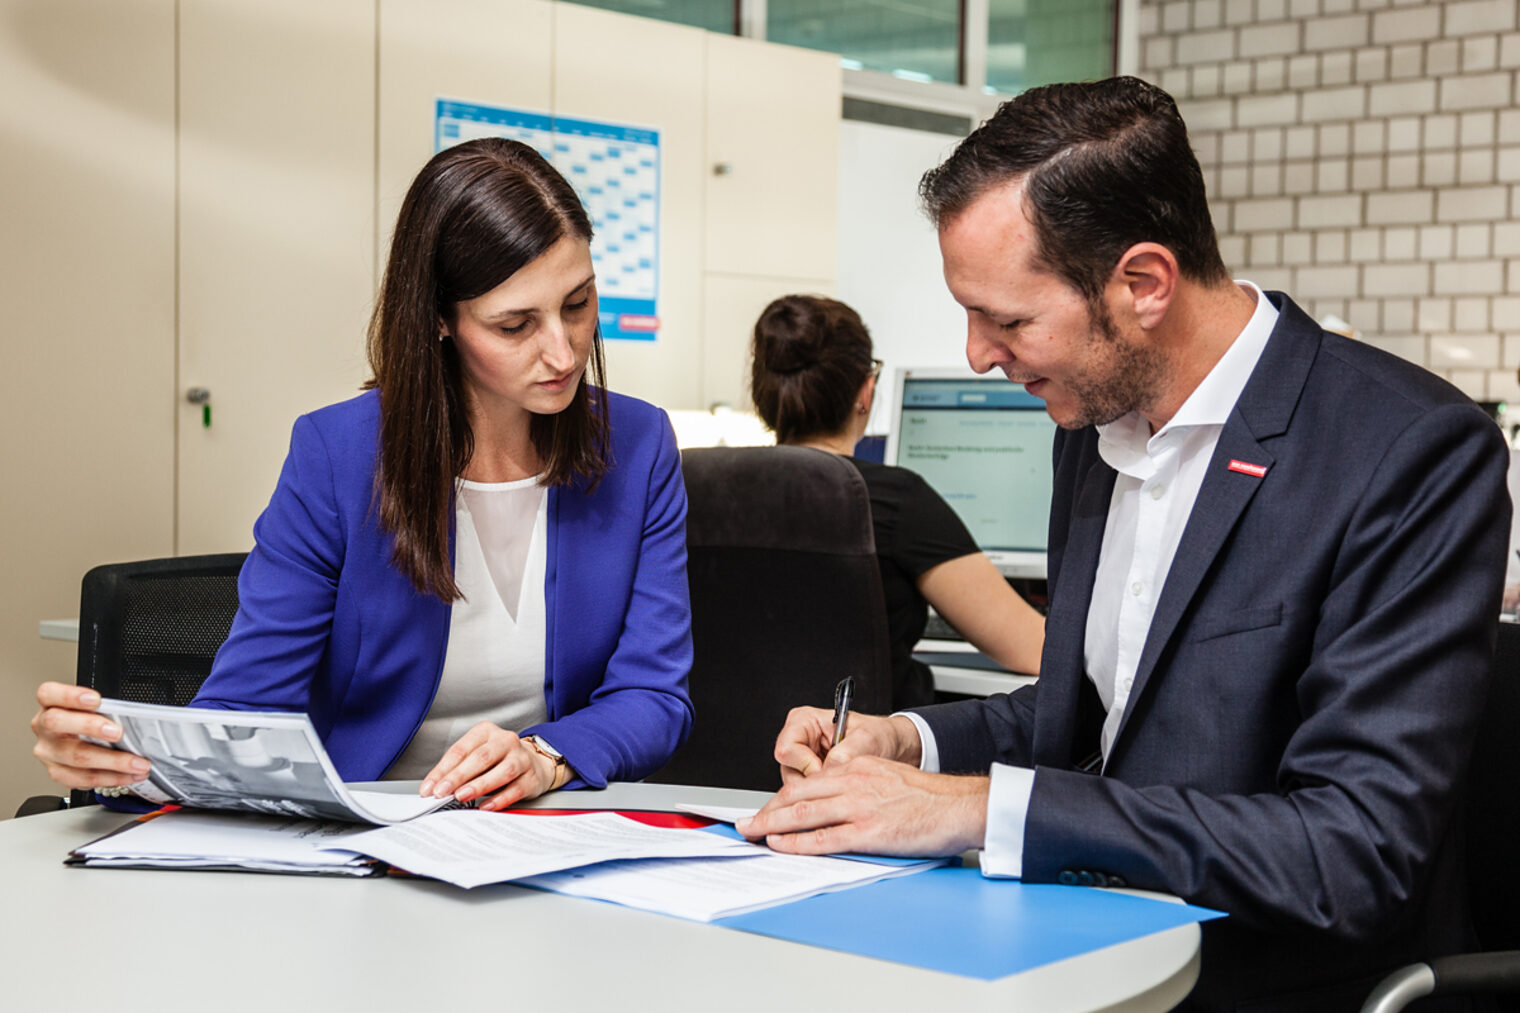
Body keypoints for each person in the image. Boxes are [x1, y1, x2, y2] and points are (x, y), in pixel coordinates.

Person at [738, 77, 1509, 1011]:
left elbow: (1350, 852)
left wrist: (978, 808)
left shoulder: (1404, 450)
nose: (979, 354)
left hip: (1274, 981)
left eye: (1009, 319)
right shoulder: (1093, 431)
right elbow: (1100, 715)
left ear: (1143, 283)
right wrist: (907, 740)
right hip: (1080, 949)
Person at [32, 137, 694, 812]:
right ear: (440, 319)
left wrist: (546, 756)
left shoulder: (638, 446)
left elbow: (654, 694)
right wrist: (117, 764)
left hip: (544, 835)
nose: (563, 350)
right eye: (516, 324)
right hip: (361, 837)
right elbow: (246, 708)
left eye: (578, 304)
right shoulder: (337, 455)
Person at [749, 293, 1045, 707]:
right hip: (855, 758)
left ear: (762, 395)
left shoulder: (698, 492)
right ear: (865, 392)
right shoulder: (891, 499)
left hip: (698, 765)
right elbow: (1034, 650)